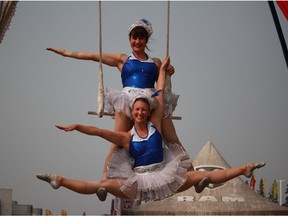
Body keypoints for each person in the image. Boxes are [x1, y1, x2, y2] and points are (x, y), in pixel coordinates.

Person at [36, 56, 266, 202]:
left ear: (147, 112)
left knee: (203, 175)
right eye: (136, 110)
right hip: (136, 181)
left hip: (165, 177)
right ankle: (59, 180)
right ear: (132, 111)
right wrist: (76, 127)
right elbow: (98, 132)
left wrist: (163, 70)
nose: (139, 113)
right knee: (101, 184)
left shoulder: (155, 126)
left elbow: (161, 93)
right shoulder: (127, 137)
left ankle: (244, 168)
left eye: (143, 110)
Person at [46, 19, 191, 197]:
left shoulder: (155, 62)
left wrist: (170, 70)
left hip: (150, 102)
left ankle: (192, 173)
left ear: (146, 40)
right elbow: (92, 56)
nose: (137, 42)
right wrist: (66, 53)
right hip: (127, 100)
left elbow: (163, 78)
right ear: (129, 39)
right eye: (134, 38)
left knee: (171, 138)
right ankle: (103, 180)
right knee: (116, 143)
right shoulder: (122, 59)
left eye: (141, 38)